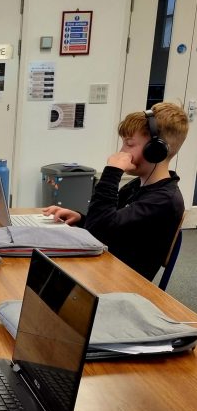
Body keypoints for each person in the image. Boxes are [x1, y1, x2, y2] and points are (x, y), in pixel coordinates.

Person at [43, 102, 188, 280]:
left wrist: (112, 172)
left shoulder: (164, 200)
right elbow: (112, 225)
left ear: (156, 150)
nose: (121, 151)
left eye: (129, 144)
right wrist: (81, 219)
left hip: (119, 282)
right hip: (105, 267)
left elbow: (99, 231)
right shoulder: (137, 186)